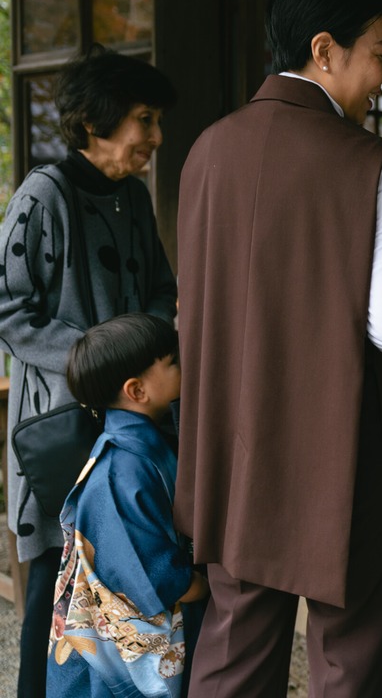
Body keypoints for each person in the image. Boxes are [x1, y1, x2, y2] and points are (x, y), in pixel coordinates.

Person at [174, 0, 382, 697]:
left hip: (236, 450)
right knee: (346, 663)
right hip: (342, 453)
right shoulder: (370, 161)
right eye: (379, 52)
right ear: (325, 49)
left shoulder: (206, 150)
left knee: (233, 653)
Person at [0, 45, 178, 698]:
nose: (156, 138)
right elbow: (8, 308)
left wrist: (141, 350)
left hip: (128, 421)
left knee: (120, 580)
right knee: (55, 588)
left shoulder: (134, 196)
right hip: (63, 428)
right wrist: (100, 357)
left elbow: (161, 289)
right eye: (144, 120)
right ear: (94, 122)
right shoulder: (43, 195)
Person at [47, 313, 207, 697]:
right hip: (126, 631)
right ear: (137, 390)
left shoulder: (139, 445)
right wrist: (200, 587)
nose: (185, 365)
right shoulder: (120, 470)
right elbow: (145, 567)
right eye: (173, 362)